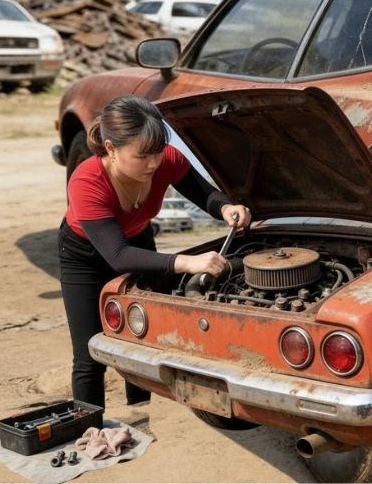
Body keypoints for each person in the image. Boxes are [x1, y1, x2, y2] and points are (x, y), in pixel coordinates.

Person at [60, 95, 251, 407]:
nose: (153, 163)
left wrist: (227, 207)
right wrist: (188, 262)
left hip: (139, 241)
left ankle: (140, 416)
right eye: (143, 155)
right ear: (111, 149)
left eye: (158, 152)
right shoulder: (87, 180)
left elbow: (205, 195)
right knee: (89, 352)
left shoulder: (166, 159)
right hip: (85, 256)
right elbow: (117, 256)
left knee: (140, 339)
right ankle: (89, 433)